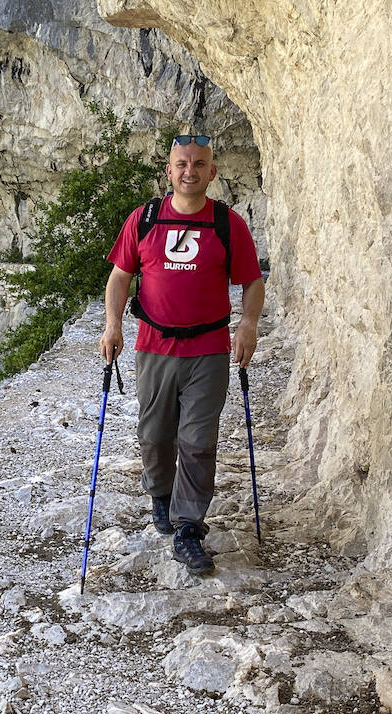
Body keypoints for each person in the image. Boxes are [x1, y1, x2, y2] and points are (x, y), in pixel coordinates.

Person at [98, 134, 264, 575]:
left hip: (209, 350)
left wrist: (247, 324)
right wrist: (113, 324)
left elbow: (252, 281)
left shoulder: (229, 224)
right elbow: (119, 277)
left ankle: (189, 526)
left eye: (199, 163)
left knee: (197, 440)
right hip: (154, 346)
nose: (189, 171)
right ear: (169, 171)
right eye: (181, 163)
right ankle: (160, 494)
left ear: (212, 172)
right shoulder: (145, 219)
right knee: (154, 434)